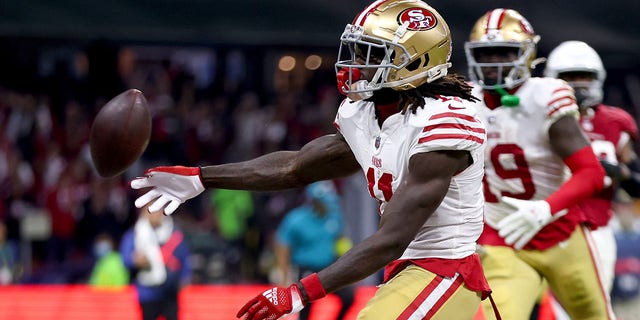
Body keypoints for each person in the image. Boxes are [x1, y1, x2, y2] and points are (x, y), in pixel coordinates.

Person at [131, 1, 492, 319]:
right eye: (358, 50)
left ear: (416, 61)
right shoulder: (364, 113)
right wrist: (201, 177)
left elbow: (392, 237)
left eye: (374, 54)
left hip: (445, 269)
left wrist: (300, 293)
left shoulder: (445, 120)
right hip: (407, 270)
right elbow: (296, 167)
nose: (358, 64)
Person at [464, 8, 615, 320]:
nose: (494, 63)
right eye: (486, 54)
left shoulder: (545, 95)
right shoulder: (465, 102)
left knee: (595, 315)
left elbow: (592, 172)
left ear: (527, 54)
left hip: (560, 230)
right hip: (504, 234)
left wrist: (545, 208)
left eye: (504, 52)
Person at [544, 40, 640, 294]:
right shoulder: (535, 115)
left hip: (595, 226)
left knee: (592, 301)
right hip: (543, 225)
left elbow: (636, 185)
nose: (577, 83)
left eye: (584, 76)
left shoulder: (614, 122)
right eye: (569, 76)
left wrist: (614, 171)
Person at [275, 181, 354, 320]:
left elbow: (340, 240)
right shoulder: (296, 219)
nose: (329, 204)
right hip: (306, 269)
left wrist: (347, 263)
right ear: (314, 201)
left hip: (328, 267)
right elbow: (283, 247)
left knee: (348, 297)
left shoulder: (335, 216)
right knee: (306, 306)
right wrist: (283, 276)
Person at [120, 205, 192, 320]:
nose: (155, 214)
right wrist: (135, 261)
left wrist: (185, 276)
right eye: (150, 211)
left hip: (170, 291)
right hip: (147, 292)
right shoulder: (135, 234)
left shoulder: (173, 232)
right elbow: (125, 260)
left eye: (158, 210)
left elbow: (184, 256)